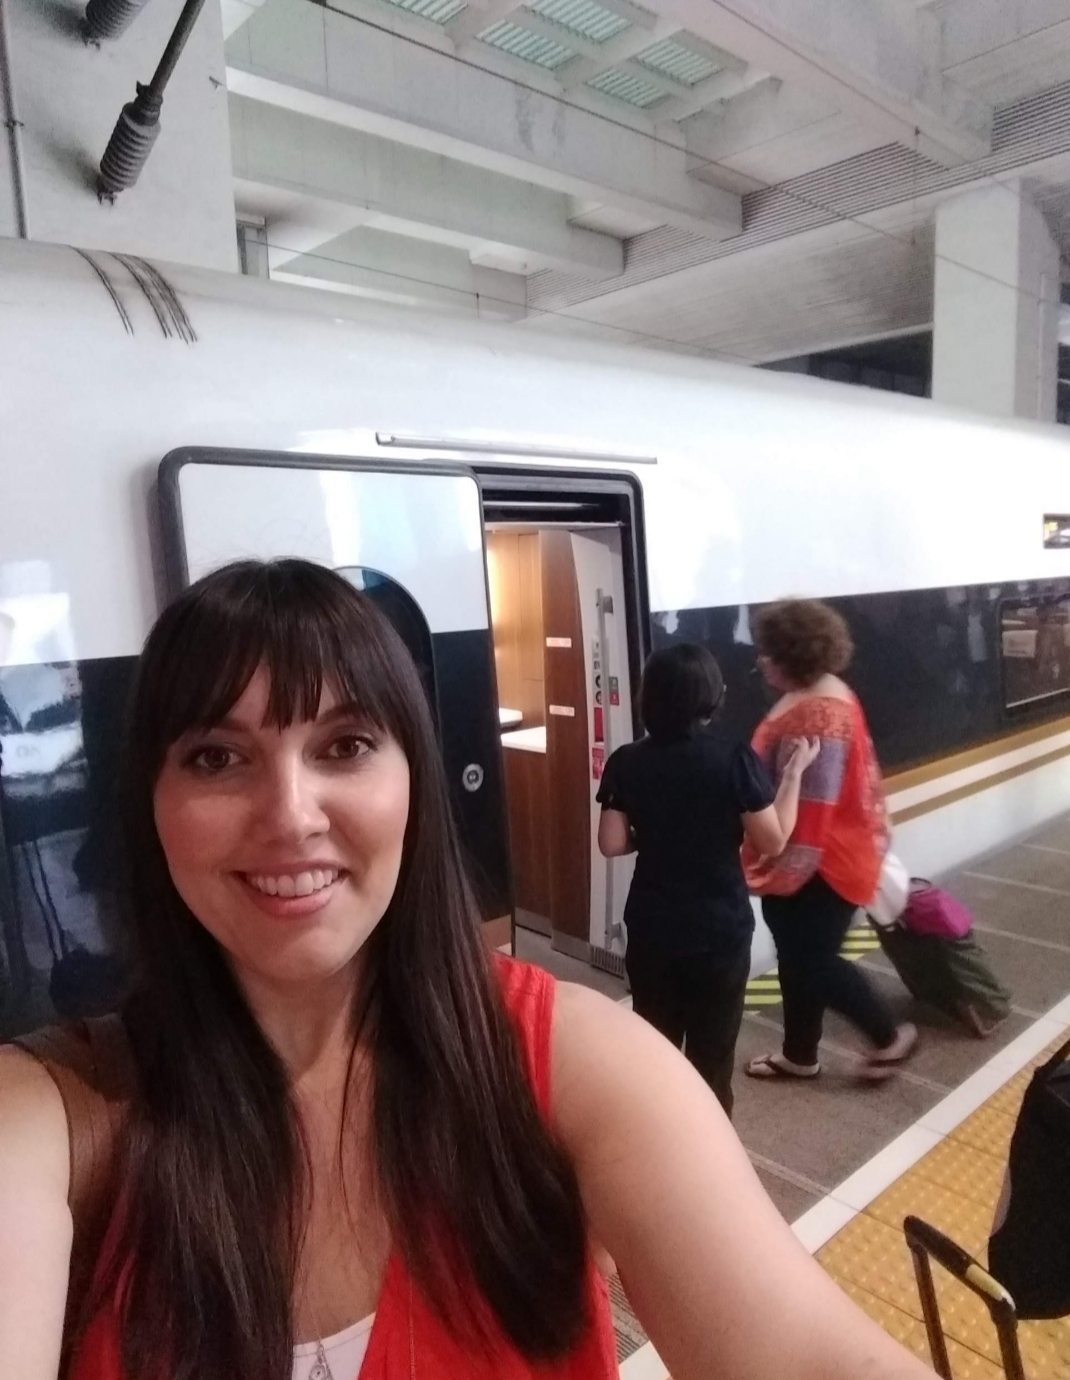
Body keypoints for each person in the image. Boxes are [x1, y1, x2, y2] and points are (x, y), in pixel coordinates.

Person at [0, 560, 934, 1380]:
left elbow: (805, 1353)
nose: (290, 815)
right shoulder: (53, 1117)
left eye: (344, 746)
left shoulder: (575, 1067)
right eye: (216, 757)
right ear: (151, 802)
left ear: (414, 779)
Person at [596, 644, 818, 1116]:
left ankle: (656, 1136)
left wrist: (654, 835)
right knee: (711, 1059)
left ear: (649, 697)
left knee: (655, 1051)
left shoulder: (626, 761)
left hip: (653, 927)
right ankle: (707, 1144)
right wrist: (794, 774)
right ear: (711, 697)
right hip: (718, 931)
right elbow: (773, 840)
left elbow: (611, 843)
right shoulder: (732, 758)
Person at [743, 598, 917, 1084]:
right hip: (830, 858)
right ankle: (799, 1055)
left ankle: (889, 1037)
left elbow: (811, 815)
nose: (761, 661)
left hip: (818, 866)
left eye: (769, 652)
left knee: (813, 962)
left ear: (793, 656)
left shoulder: (818, 713)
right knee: (798, 959)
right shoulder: (825, 691)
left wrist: (776, 868)